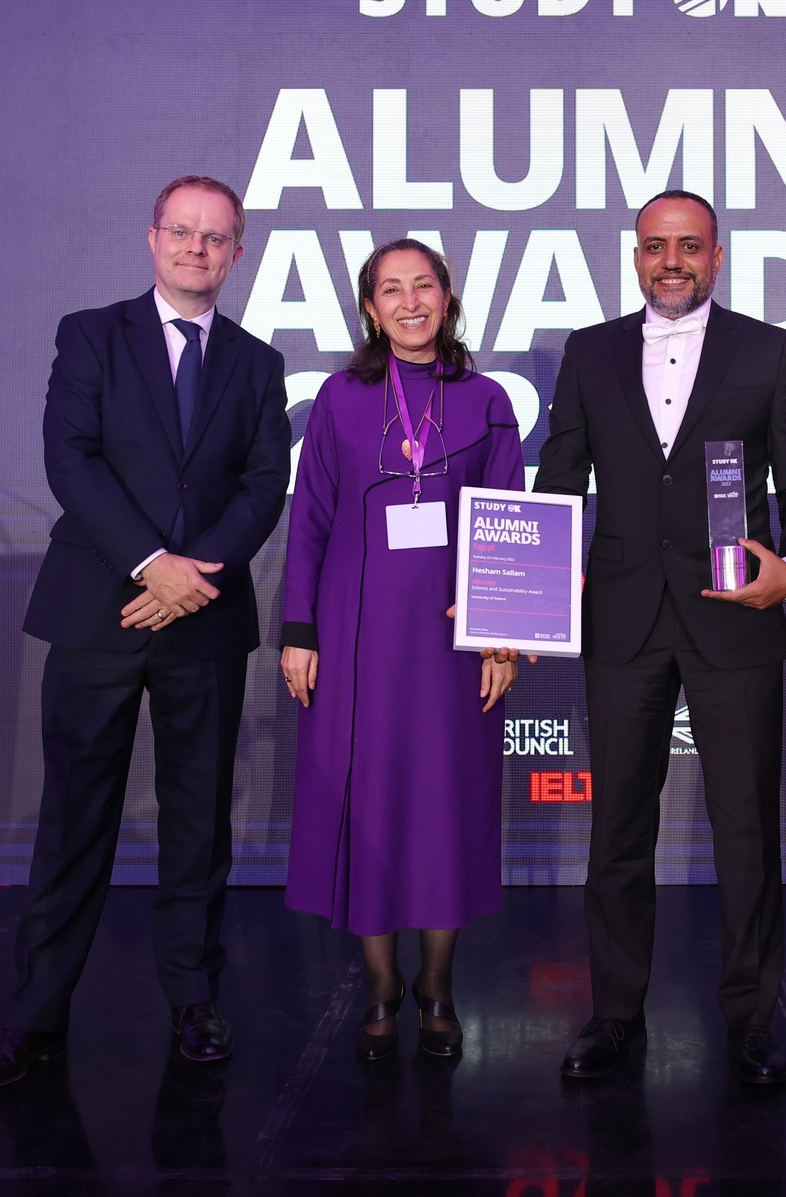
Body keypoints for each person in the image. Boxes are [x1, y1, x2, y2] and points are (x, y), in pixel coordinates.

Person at [0, 175, 293, 1091]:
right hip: (101, 609)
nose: (197, 248)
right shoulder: (90, 334)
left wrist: (194, 579)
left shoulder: (260, 364)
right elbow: (71, 457)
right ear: (152, 240)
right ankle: (34, 1018)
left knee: (197, 824)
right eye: (181, 232)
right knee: (74, 821)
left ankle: (194, 998)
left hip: (204, 622)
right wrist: (154, 563)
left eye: (215, 237)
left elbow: (266, 484)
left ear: (237, 250)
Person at [535, 189, 786, 1086]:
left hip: (735, 614)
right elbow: (560, 475)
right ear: (635, 256)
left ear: (717, 256)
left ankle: (749, 1019)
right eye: (657, 246)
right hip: (621, 615)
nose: (673, 260)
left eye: (690, 246)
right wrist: (522, 591)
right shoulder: (589, 352)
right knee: (617, 828)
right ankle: (615, 1012)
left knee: (746, 827)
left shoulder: (768, 350)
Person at [279, 238, 524, 1061]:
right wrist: (299, 629)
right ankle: (382, 984)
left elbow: (508, 525)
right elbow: (310, 519)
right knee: (368, 803)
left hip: (452, 640)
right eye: (392, 289)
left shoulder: (487, 399)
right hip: (352, 637)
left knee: (443, 804)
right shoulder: (340, 399)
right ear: (371, 307)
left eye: (425, 286)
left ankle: (437, 984)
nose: (410, 301)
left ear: (448, 299)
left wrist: (504, 638)